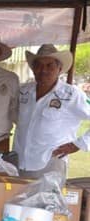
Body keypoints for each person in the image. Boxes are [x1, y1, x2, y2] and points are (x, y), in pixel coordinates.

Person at [13, 44, 90, 178]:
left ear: (59, 69)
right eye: (38, 65)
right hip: (19, 162)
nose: (43, 70)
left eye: (49, 65)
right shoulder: (24, 91)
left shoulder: (71, 94)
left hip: (50, 165)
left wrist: (79, 144)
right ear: (33, 69)